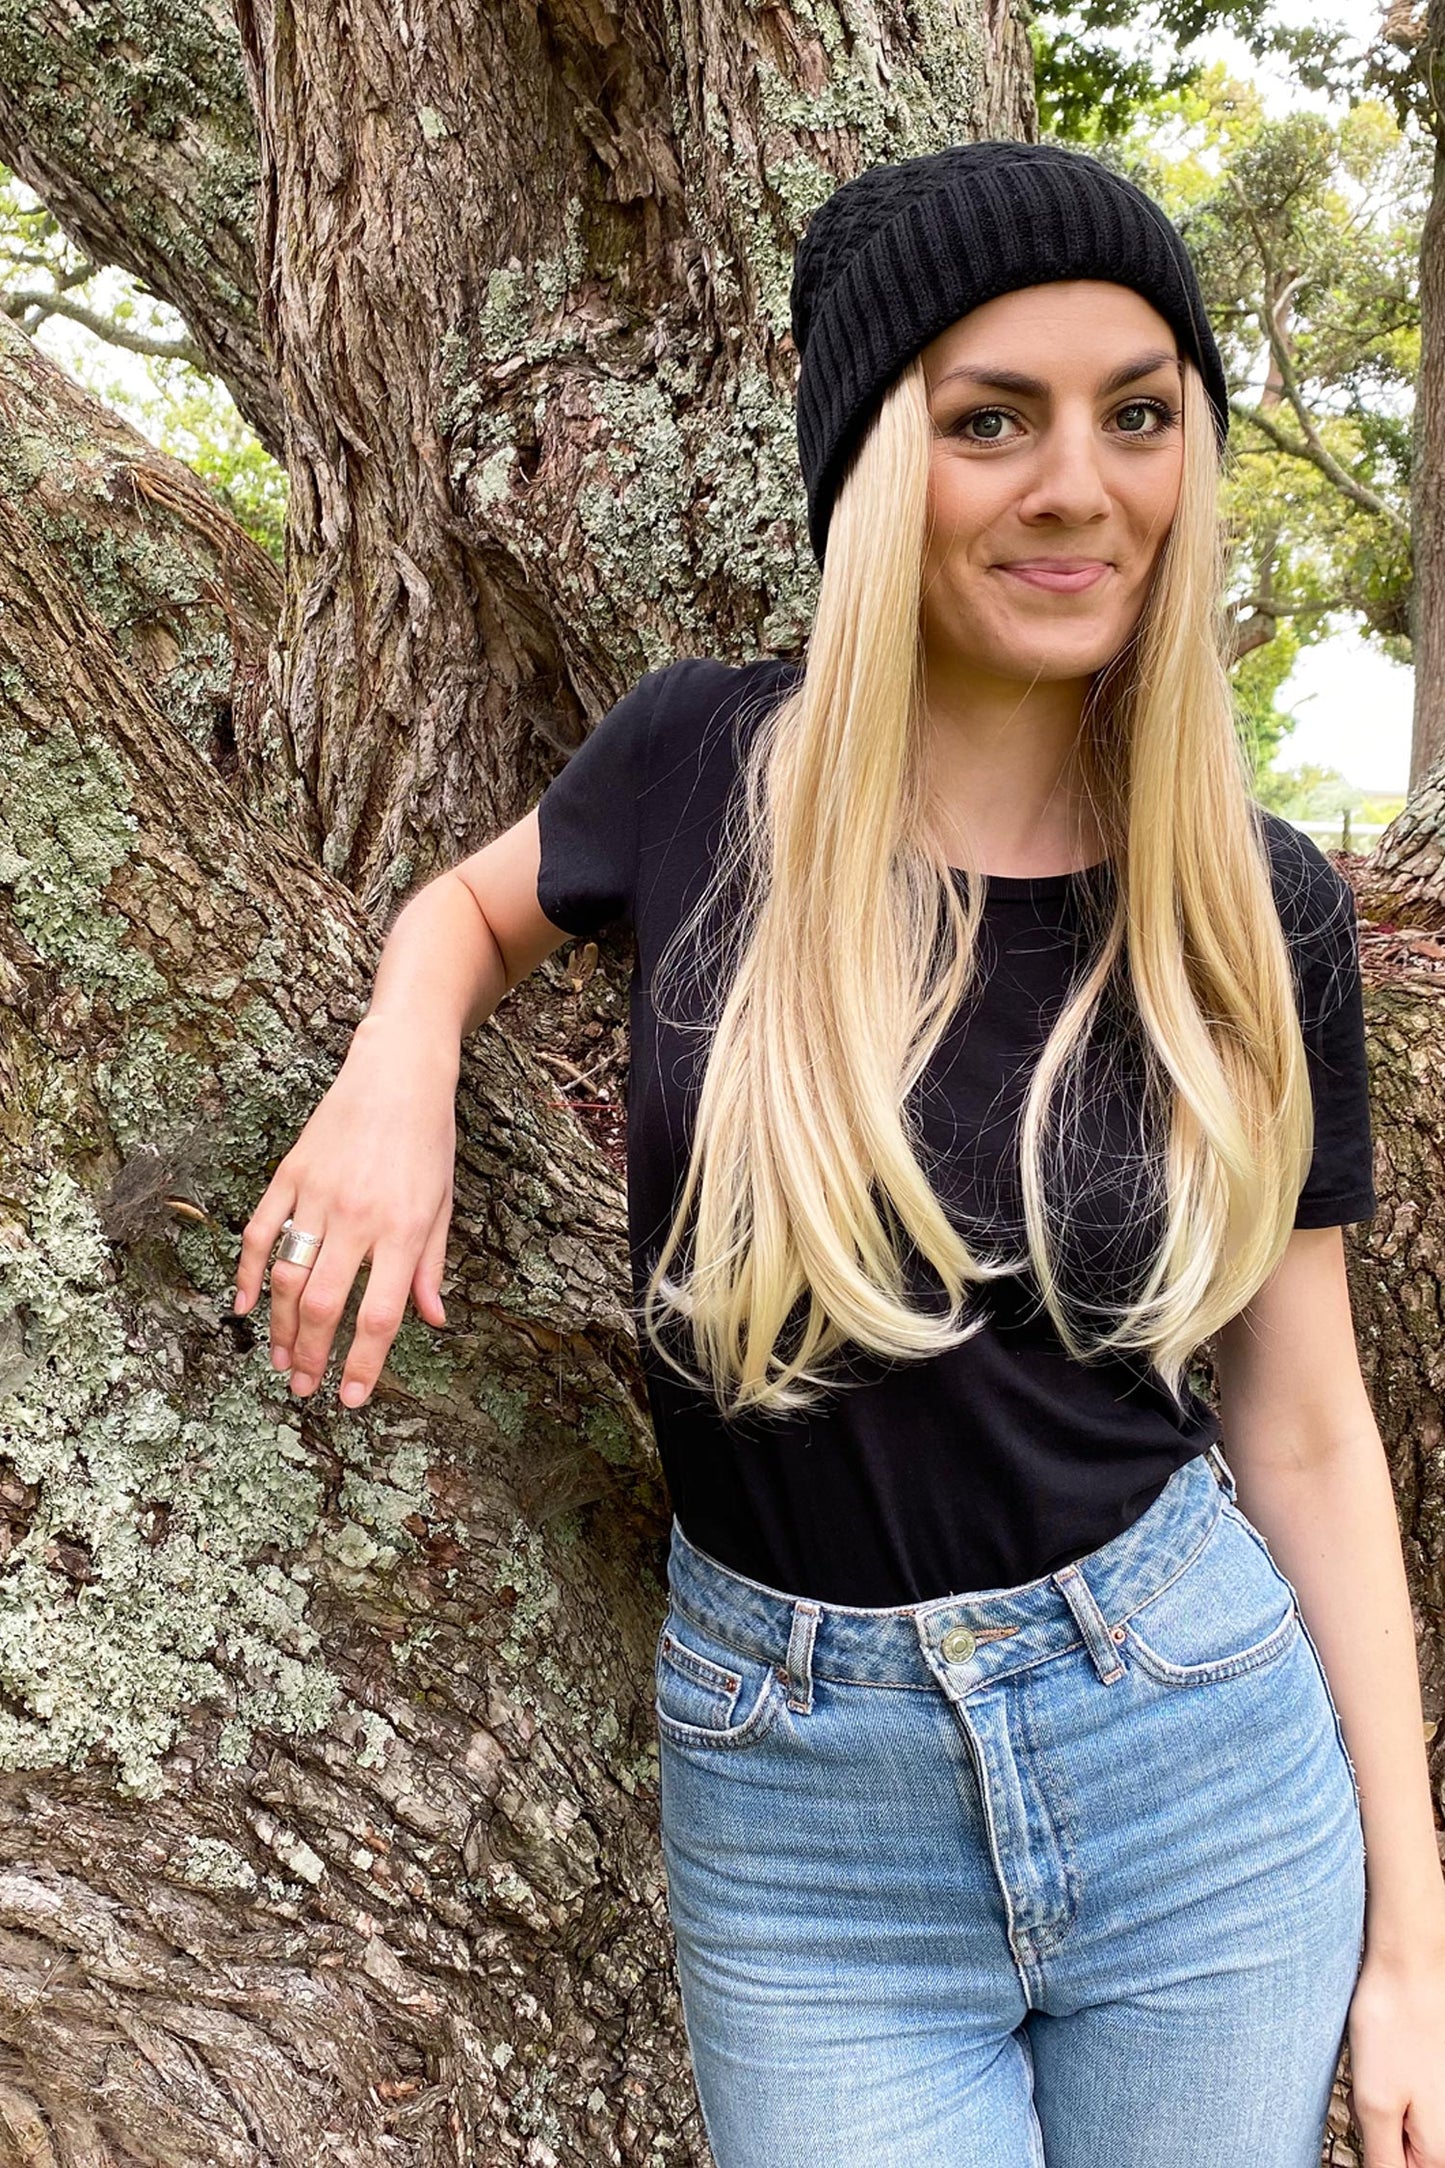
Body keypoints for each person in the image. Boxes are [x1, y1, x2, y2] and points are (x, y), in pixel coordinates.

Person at [232, 142, 1445, 2167]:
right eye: (992, 420)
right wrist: (395, 1066)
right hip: (801, 1815)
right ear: (876, 465)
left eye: (1139, 413)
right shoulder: (701, 765)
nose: (1079, 485)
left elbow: (1308, 1433)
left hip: (1199, 1770)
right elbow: (466, 911)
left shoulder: (1253, 907)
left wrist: (1414, 1936)